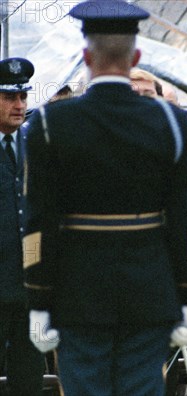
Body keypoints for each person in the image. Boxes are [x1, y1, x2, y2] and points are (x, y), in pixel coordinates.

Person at [23, 1, 187, 395]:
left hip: (77, 295)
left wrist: (37, 300)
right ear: (136, 55)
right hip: (149, 295)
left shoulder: (51, 124)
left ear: (85, 56)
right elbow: (184, 220)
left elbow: (38, 224)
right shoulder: (172, 123)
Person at [0, 57, 45, 396]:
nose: (19, 105)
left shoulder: (36, 147)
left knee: (28, 379)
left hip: (29, 285)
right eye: (9, 97)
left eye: (23, 97)